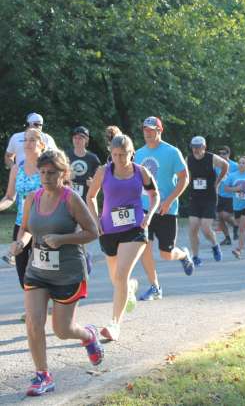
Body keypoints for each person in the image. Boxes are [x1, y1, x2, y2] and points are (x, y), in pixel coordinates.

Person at [9, 149, 103, 396]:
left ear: (63, 173)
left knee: (62, 330)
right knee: (33, 321)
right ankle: (43, 375)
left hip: (68, 273)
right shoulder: (32, 198)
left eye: (51, 173)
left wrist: (62, 239)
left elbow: (92, 232)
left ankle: (87, 335)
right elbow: (27, 228)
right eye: (42, 172)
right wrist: (20, 242)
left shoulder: (71, 199)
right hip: (37, 271)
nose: (46, 177)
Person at [86, 134, 159, 340]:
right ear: (111, 153)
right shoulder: (103, 171)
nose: (119, 159)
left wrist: (149, 216)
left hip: (134, 229)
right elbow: (90, 197)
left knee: (121, 275)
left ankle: (114, 324)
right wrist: (95, 220)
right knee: (116, 279)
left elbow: (155, 194)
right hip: (108, 230)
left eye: (124, 154)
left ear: (131, 153)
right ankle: (131, 287)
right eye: (115, 154)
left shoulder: (141, 172)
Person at [134, 116, 193, 302]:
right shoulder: (138, 154)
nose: (148, 133)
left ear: (160, 131)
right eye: (145, 130)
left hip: (166, 209)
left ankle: (183, 254)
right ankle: (155, 287)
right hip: (145, 209)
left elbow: (184, 178)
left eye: (152, 130)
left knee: (166, 254)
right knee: (144, 248)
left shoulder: (171, 152)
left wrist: (169, 200)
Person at [0, 128, 44, 286]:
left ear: (42, 145)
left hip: (43, 226)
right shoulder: (16, 169)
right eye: (25, 140)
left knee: (44, 272)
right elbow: (9, 197)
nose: (28, 143)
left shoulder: (47, 170)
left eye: (32, 140)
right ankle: (32, 310)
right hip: (21, 225)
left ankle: (46, 308)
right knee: (23, 276)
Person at [187, 136, 228, 266]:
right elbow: (185, 174)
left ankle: (215, 245)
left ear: (204, 147)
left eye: (198, 147)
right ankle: (195, 257)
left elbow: (225, 165)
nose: (196, 150)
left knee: (205, 227)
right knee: (193, 227)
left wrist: (218, 181)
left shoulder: (211, 158)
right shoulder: (189, 159)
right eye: (193, 147)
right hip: (195, 197)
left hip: (209, 197)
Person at [67, 126, 101, 202]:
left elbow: (99, 179)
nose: (77, 140)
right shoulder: (66, 156)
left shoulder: (93, 159)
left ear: (86, 140)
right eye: (75, 138)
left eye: (80, 138)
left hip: (86, 198)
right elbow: (58, 176)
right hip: (68, 197)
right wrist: (66, 178)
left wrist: (94, 183)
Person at [215, 145, 239, 244]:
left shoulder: (235, 166)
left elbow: (240, 179)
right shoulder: (216, 166)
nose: (221, 155)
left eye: (224, 153)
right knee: (219, 217)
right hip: (220, 194)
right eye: (219, 154)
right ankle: (227, 238)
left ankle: (235, 225)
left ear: (228, 154)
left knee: (225, 215)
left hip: (231, 195)